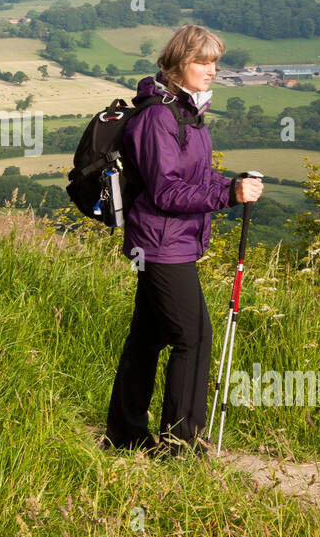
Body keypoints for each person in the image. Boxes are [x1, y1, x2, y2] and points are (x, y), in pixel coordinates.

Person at [102, 24, 264, 458]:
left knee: (148, 337)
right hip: (159, 244)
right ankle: (180, 444)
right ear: (178, 65)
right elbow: (166, 191)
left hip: (169, 241)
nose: (212, 70)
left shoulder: (188, 113)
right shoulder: (159, 117)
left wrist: (229, 182)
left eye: (215, 62)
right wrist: (228, 195)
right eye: (202, 62)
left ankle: (124, 433)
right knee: (193, 337)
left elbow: (195, 176)